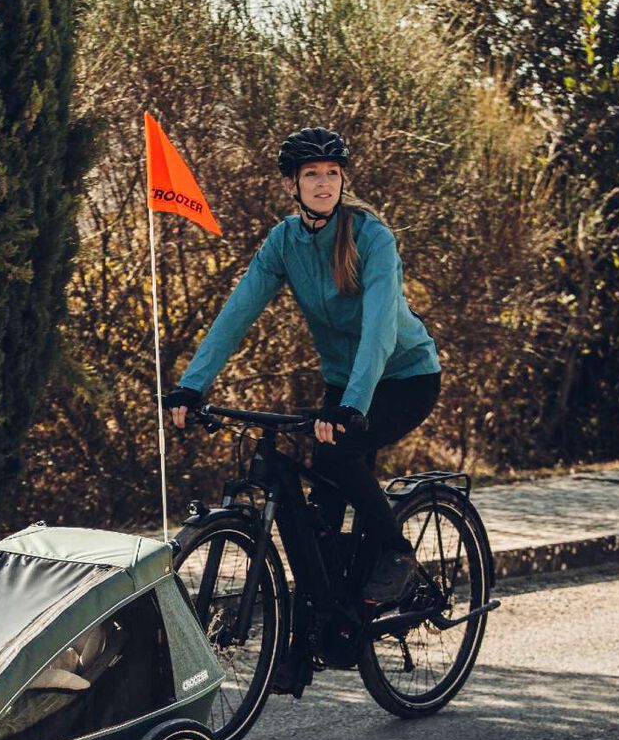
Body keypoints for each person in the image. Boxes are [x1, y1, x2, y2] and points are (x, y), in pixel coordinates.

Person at [162, 126, 441, 606]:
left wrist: (351, 406)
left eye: (332, 173)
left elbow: (380, 329)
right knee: (322, 512)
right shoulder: (284, 241)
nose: (324, 183)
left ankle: (397, 554)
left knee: (337, 454)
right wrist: (192, 386)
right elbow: (237, 313)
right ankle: (326, 619)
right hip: (343, 383)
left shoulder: (372, 238)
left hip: (404, 377)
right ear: (292, 184)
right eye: (312, 174)